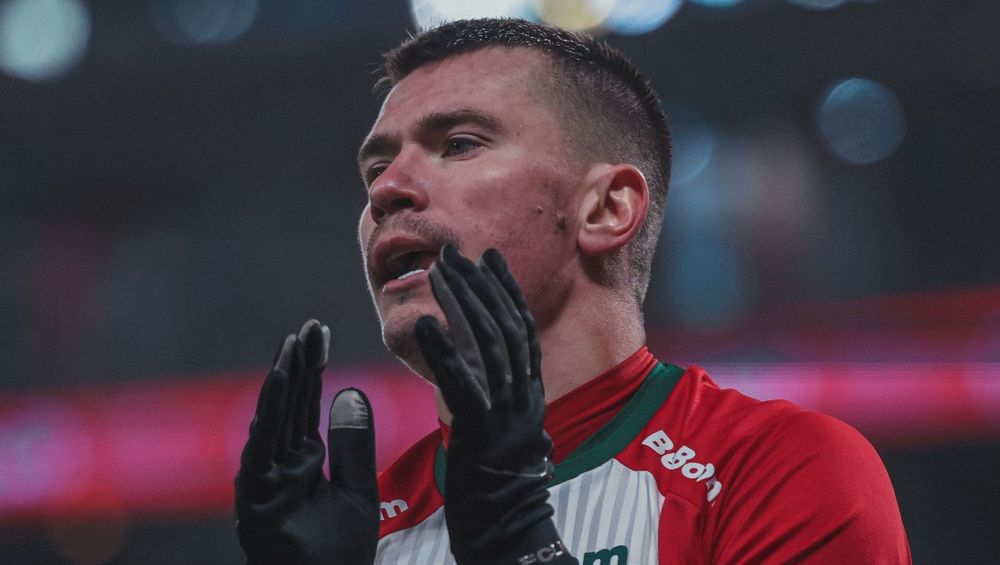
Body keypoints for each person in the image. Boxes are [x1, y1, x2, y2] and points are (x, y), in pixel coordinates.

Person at [234, 18, 911, 565]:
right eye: (376, 167)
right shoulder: (360, 533)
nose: (386, 189)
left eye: (459, 144)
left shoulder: (778, 472)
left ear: (607, 209)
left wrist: (517, 550)